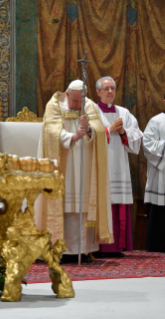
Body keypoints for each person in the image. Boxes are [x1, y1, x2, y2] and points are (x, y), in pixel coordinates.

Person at [36, 79, 113, 263]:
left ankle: (83, 250)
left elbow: (101, 132)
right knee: (64, 204)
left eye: (81, 101)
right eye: (75, 101)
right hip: (63, 164)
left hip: (85, 165)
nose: (79, 105)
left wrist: (89, 131)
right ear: (67, 94)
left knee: (83, 206)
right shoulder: (54, 105)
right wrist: (73, 136)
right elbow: (50, 133)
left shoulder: (91, 106)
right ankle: (59, 250)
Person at [95, 76, 143, 257]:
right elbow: (87, 136)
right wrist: (108, 131)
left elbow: (137, 135)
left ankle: (116, 247)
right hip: (99, 166)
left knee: (117, 204)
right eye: (106, 88)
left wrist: (123, 132)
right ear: (98, 92)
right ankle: (98, 247)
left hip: (119, 166)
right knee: (101, 203)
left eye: (112, 88)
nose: (110, 91)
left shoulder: (124, 113)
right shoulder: (92, 111)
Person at [143, 100, 165, 252]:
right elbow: (147, 145)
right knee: (159, 216)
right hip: (161, 177)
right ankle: (158, 249)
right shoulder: (156, 121)